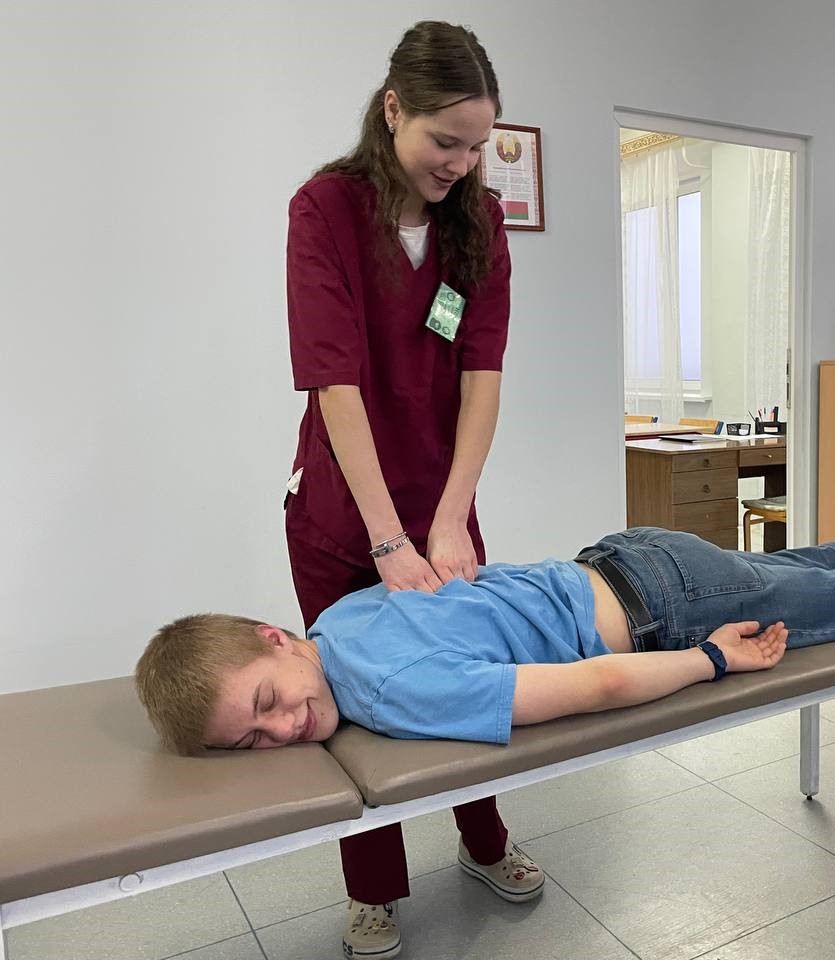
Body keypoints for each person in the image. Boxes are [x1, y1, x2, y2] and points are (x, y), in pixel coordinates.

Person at [281, 21, 525, 958]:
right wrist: (388, 538)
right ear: (393, 110)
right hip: (344, 514)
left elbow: (483, 377)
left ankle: (484, 840)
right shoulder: (325, 210)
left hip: (441, 499)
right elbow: (333, 384)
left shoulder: (480, 221)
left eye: (476, 146)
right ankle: (375, 888)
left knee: (470, 674)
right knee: (354, 699)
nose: (460, 164)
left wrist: (451, 514)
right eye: (444, 141)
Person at [134, 523, 835, 753]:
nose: (284, 728)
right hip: (627, 555)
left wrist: (711, 660)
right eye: (253, 740)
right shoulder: (336, 620)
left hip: (667, 612)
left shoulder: (389, 690)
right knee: (810, 568)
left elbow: (596, 686)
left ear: (273, 638)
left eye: (266, 702)